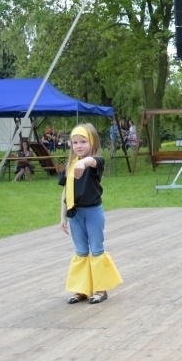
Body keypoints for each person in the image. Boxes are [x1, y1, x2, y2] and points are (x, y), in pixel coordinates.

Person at [59, 123, 123, 304]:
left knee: (96, 250)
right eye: (75, 142)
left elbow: (91, 162)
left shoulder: (96, 162)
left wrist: (83, 162)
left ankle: (101, 289)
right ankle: (81, 289)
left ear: (92, 142)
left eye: (83, 142)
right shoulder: (70, 166)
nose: (78, 146)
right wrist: (62, 217)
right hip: (75, 214)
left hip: (93, 212)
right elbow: (65, 192)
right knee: (80, 251)